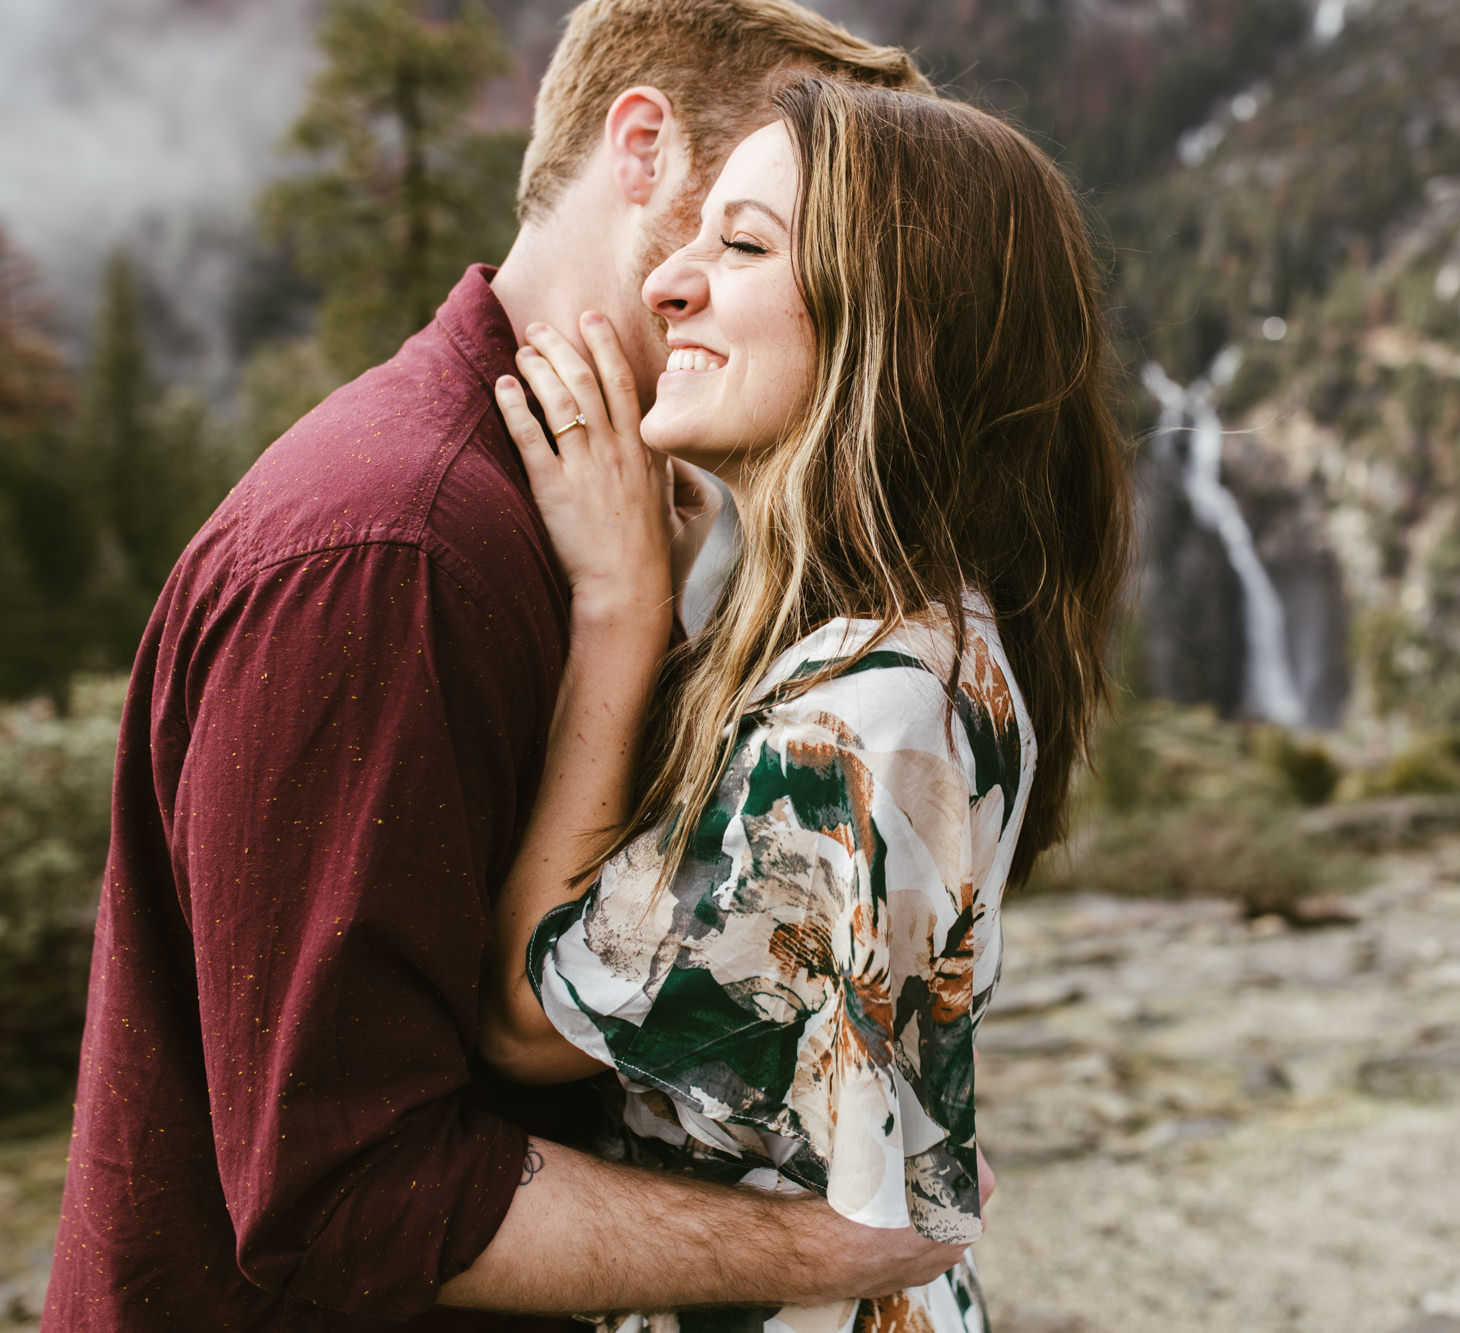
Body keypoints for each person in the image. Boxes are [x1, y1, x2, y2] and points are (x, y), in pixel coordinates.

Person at [46, 4, 979, 1329]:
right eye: (793, 226)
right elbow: (348, 1196)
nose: (834, 289)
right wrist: (825, 1248)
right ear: (643, 150)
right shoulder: (394, 555)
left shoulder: (606, 522)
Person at [475, 77, 1132, 1332]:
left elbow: (524, 1019)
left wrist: (615, 607)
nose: (670, 283)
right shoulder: (918, 642)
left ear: (894, 317)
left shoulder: (872, 708)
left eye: (743, 244)